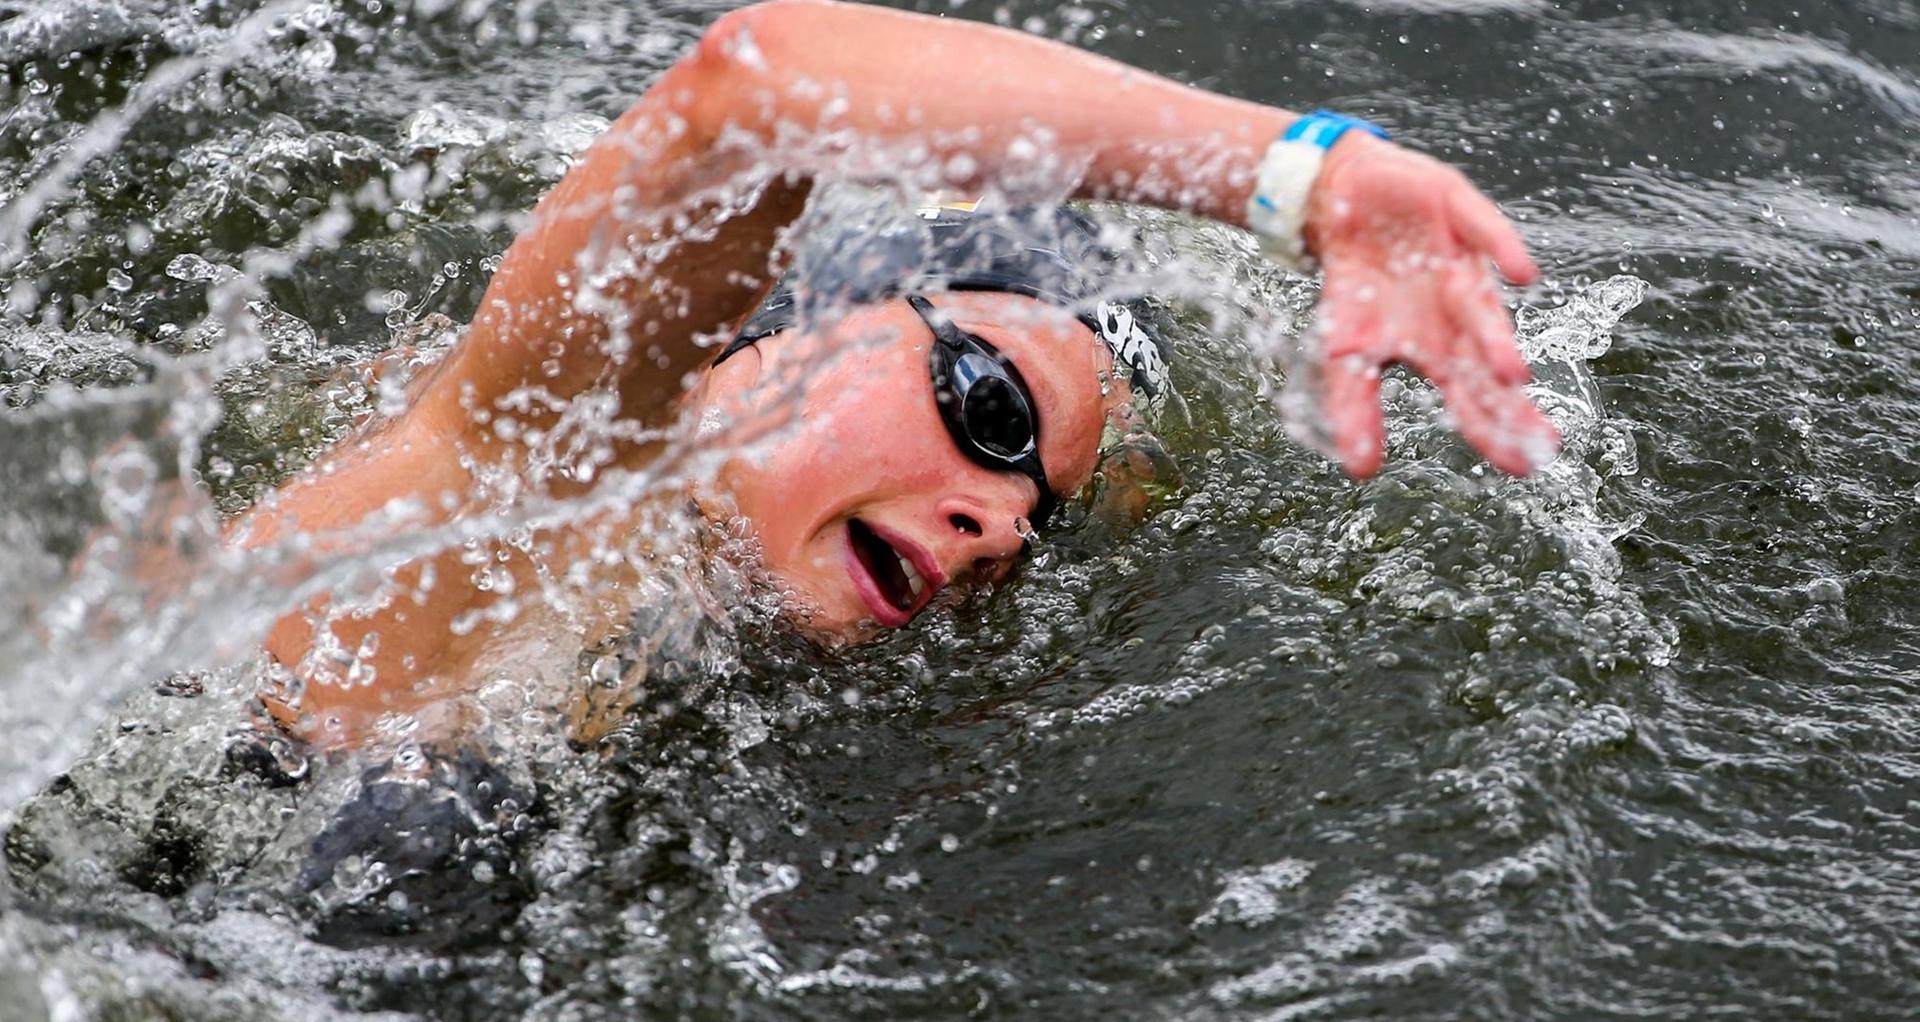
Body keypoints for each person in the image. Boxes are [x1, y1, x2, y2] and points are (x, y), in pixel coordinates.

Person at [226, 0, 1556, 750]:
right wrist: (1303, 175)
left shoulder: (683, 707)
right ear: (785, 326)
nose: (1000, 526)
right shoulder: (545, 460)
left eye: (1037, 523)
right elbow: (759, 80)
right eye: (991, 410)